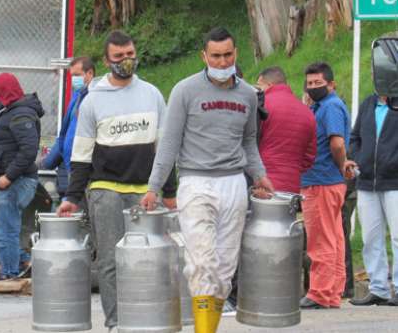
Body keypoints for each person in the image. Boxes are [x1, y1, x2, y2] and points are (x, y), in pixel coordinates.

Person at [142, 27, 274, 333]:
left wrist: (260, 175)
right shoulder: (184, 91)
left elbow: (249, 143)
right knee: (202, 262)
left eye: (227, 54)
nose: (222, 60)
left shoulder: (248, 95)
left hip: (234, 185)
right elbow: (169, 143)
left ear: (236, 53)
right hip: (196, 183)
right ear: (204, 56)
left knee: (225, 268)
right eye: (215, 56)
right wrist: (153, 186)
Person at [57, 30, 176, 330]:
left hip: (144, 191)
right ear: (107, 60)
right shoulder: (93, 101)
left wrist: (169, 191)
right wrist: (72, 197)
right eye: (119, 57)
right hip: (105, 189)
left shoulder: (151, 94)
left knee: (146, 260)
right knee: (110, 260)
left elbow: (164, 149)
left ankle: (145, 320)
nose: (126, 61)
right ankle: (116, 323)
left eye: (130, 54)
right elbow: (81, 156)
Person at [0, 73, 44, 279]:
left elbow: (29, 150)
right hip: (3, 180)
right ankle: (22, 259)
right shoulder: (12, 112)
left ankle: (10, 275)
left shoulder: (21, 115)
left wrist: (8, 177)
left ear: (5, 94)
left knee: (4, 231)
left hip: (13, 181)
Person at [299, 62, 350, 310]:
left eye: (318, 83)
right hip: (327, 181)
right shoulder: (321, 106)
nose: (313, 87)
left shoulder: (330, 107)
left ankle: (320, 292)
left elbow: (337, 144)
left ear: (331, 84)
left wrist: (342, 165)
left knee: (320, 240)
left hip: (321, 180)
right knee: (334, 238)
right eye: (309, 83)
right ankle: (332, 291)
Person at [344, 93, 398, 306]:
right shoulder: (368, 103)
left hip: (394, 181)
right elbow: (355, 136)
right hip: (367, 181)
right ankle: (378, 288)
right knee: (370, 237)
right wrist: (358, 159)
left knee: (397, 237)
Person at [41, 56, 95, 205]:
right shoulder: (77, 96)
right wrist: (48, 161)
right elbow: (65, 135)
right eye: (72, 76)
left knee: (88, 214)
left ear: (89, 73)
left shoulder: (96, 99)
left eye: (77, 75)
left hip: (87, 168)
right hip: (72, 166)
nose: (74, 80)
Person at [256, 66, 317, 194]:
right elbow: (309, 157)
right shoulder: (307, 112)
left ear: (268, 84)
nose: (257, 91)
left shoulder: (261, 105)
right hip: (291, 186)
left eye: (259, 87)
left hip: (261, 185)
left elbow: (249, 144)